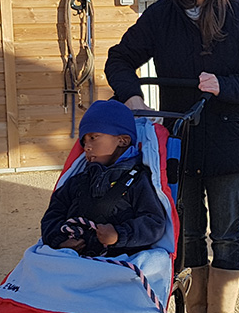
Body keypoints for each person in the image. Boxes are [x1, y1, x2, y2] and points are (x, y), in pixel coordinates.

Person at [105, 0, 239, 313]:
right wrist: (133, 98)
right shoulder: (160, 17)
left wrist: (225, 86)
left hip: (229, 144)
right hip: (177, 143)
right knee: (187, 233)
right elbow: (119, 60)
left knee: (226, 236)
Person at [40, 98, 166, 259]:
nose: (87, 147)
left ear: (123, 140)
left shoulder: (139, 181)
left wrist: (119, 235)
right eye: (84, 141)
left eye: (93, 137)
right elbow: (53, 215)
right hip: (74, 258)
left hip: (120, 259)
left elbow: (154, 223)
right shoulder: (77, 181)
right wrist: (59, 240)